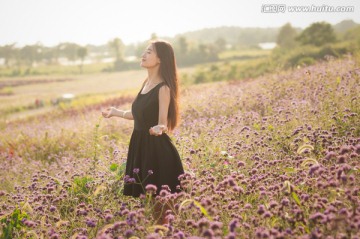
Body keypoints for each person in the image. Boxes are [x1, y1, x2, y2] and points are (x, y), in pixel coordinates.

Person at [101, 40, 184, 224]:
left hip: (157, 151)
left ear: (160, 59)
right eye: (144, 51)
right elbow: (139, 114)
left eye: (149, 52)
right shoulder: (146, 83)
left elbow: (162, 123)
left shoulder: (163, 88)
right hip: (140, 148)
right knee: (152, 208)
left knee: (163, 209)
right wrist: (116, 112)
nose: (143, 55)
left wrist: (158, 128)